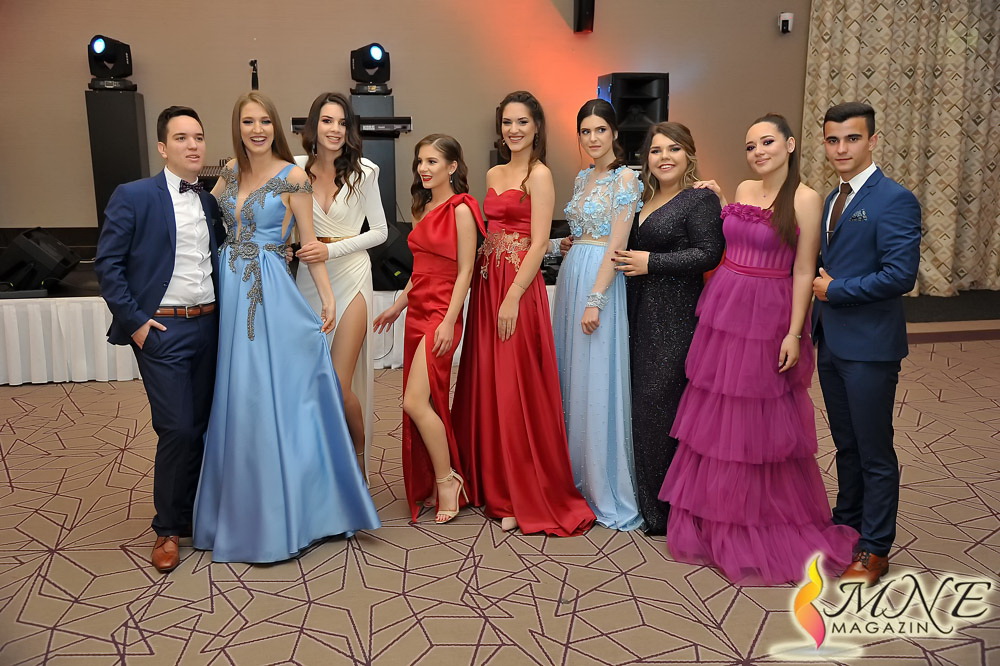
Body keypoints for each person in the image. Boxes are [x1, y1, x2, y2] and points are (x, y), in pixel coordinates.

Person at [659, 114, 859, 585]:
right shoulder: (744, 188)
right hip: (725, 307)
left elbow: (804, 270)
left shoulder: (806, 198)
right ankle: (717, 516)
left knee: (757, 421)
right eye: (750, 146)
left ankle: (756, 519)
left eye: (767, 142)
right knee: (717, 414)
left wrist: (794, 332)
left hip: (767, 314)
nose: (758, 152)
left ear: (789, 144)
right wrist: (718, 200)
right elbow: (733, 239)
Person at [193, 92, 380, 563]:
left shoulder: (293, 176)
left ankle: (319, 492)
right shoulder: (230, 173)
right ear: (237, 128)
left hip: (271, 287)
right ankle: (241, 504)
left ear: (275, 126)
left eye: (264, 121)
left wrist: (329, 297)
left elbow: (310, 243)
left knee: (281, 388)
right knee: (237, 391)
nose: (257, 129)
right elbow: (202, 222)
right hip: (229, 285)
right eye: (247, 122)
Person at [453, 91, 595, 536]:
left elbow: (537, 243)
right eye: (507, 122)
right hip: (487, 284)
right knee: (487, 380)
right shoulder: (493, 173)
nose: (513, 130)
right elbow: (488, 231)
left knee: (515, 385)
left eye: (522, 122)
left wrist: (513, 295)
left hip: (517, 287)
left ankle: (519, 493)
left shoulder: (541, 175)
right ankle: (489, 481)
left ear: (536, 128)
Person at [95, 106, 224, 573]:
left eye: (199, 137)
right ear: (163, 147)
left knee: (205, 424)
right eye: (182, 137)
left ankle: (194, 515)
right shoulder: (133, 195)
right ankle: (167, 527)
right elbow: (107, 265)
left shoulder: (208, 202)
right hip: (162, 329)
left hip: (210, 325)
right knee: (177, 427)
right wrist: (136, 324)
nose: (193, 145)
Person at [812, 102, 921, 585]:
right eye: (833, 140)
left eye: (852, 138)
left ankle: (875, 548)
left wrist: (836, 290)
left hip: (871, 347)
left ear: (872, 140)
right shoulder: (830, 198)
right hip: (832, 341)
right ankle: (847, 524)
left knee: (875, 450)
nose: (841, 149)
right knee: (846, 444)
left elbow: (900, 275)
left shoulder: (894, 199)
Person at [612, 122, 724, 536]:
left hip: (676, 316)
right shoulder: (643, 197)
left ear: (689, 154)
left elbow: (709, 253)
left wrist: (651, 263)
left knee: (660, 404)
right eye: (656, 150)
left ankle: (670, 508)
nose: (664, 157)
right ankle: (648, 502)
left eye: (673, 149)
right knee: (640, 404)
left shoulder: (699, 199)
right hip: (637, 310)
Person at [373, 135, 483, 524]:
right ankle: (441, 478)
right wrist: (397, 306)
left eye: (433, 161)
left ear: (452, 167)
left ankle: (447, 479)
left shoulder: (462, 209)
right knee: (425, 401)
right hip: (418, 310)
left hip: (442, 313)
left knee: (415, 401)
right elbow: (419, 272)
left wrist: (450, 321)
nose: (423, 168)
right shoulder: (422, 208)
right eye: (420, 161)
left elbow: (466, 271)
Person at [552, 99, 643, 530]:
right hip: (573, 274)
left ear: (615, 134)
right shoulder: (582, 176)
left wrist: (596, 299)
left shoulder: (626, 178)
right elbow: (583, 232)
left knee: (596, 374)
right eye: (586, 131)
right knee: (571, 372)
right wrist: (565, 245)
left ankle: (601, 479)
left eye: (600, 130)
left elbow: (617, 244)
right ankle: (573, 473)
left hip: (600, 282)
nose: (593, 138)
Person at [295, 92, 387, 478]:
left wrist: (330, 250)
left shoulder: (365, 171)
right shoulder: (294, 170)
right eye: (327, 121)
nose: (335, 129)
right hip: (309, 280)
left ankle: (358, 458)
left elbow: (380, 232)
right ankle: (322, 466)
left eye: (342, 122)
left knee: (336, 380)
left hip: (352, 275)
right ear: (313, 125)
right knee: (311, 381)